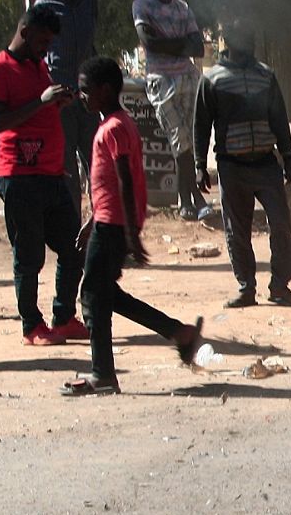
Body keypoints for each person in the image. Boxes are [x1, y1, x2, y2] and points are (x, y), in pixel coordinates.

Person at [61, 57, 203, 396]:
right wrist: (92, 221)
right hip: (108, 221)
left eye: (86, 90)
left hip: (115, 224)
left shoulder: (113, 127)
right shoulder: (115, 123)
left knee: (92, 296)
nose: (82, 96)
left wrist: (129, 234)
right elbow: (109, 183)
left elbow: (125, 181)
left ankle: (103, 374)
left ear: (105, 90)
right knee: (108, 295)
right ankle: (179, 333)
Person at [0, 5, 86, 346]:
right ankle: (31, 326)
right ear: (24, 33)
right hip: (19, 177)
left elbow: (38, 108)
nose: (47, 48)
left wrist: (57, 102)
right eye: (42, 40)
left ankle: (63, 316)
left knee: (74, 248)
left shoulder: (39, 66)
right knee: (29, 256)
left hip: (51, 175)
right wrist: (42, 102)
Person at [194, 21, 291, 308]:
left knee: (281, 225)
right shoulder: (212, 79)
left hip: (267, 164)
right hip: (231, 166)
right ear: (230, 42)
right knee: (237, 230)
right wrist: (199, 164)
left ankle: (280, 286)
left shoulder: (266, 76)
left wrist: (288, 157)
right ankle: (246, 288)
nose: (251, 43)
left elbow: (279, 119)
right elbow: (201, 125)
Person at [133, 0, 209, 219]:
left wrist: (165, 44)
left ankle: (188, 197)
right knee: (179, 139)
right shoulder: (142, 5)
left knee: (191, 137)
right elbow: (149, 42)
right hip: (161, 80)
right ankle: (191, 197)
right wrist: (181, 44)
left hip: (188, 78)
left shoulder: (182, 7)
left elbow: (198, 48)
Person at [33, 0, 100, 212]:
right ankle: (72, 228)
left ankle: (102, 222)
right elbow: (37, 50)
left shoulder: (88, 1)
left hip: (87, 94)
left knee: (97, 161)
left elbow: (91, 41)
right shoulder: (43, 7)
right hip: (59, 95)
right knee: (66, 164)